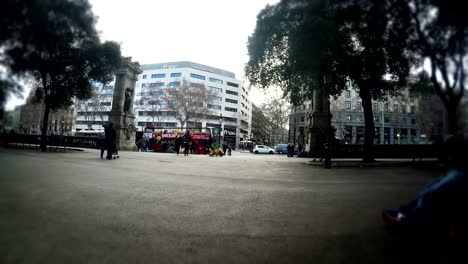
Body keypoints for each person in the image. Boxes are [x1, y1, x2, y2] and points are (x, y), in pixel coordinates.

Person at [382, 133, 467, 226]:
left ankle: (412, 219)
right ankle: (403, 211)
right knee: (430, 187)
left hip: (461, 171)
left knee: (434, 191)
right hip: (459, 168)